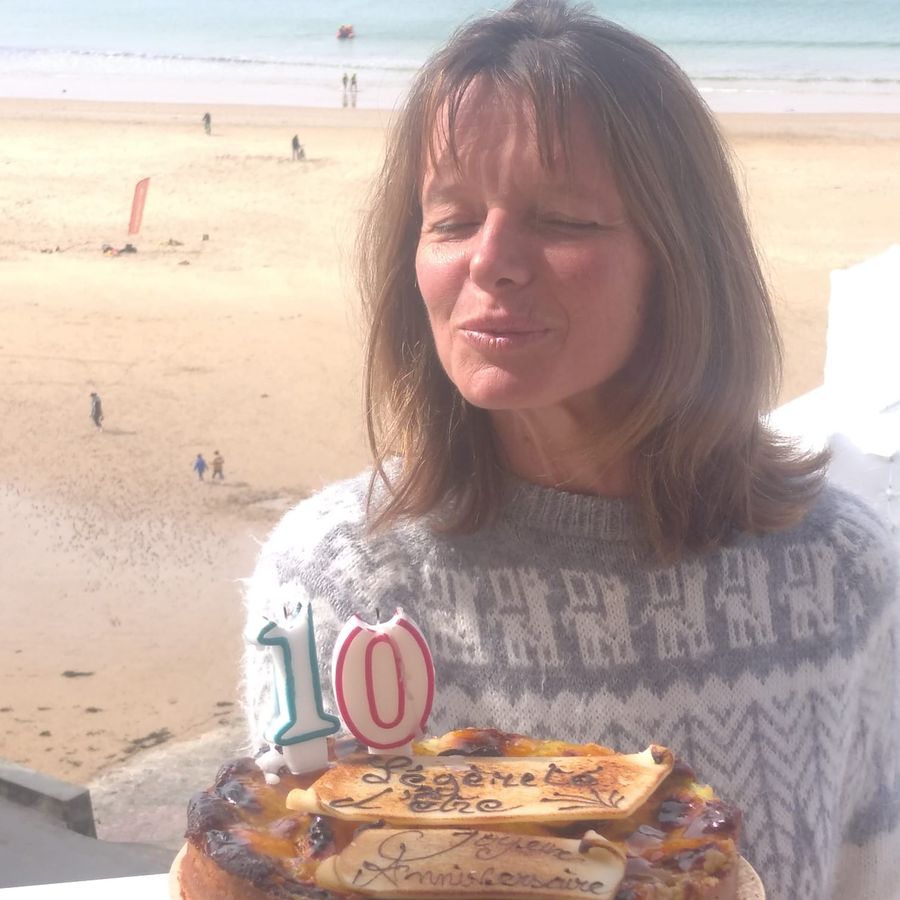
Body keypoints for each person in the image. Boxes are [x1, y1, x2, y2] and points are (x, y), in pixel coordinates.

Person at [243, 3, 899, 899]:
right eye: (452, 219)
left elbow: (871, 872)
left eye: (562, 219)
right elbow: (276, 865)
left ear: (680, 258)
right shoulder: (333, 584)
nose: (494, 261)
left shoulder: (839, 570)